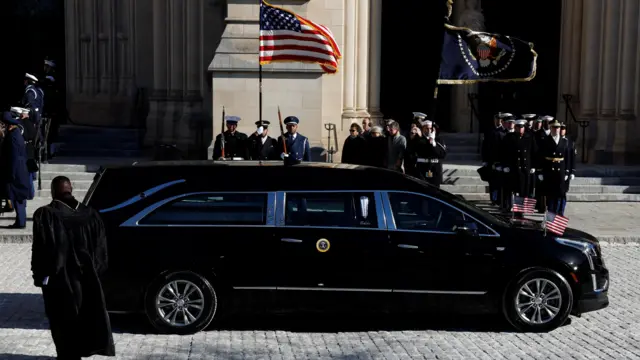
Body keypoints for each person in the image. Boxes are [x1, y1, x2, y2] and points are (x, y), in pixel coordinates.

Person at [31, 176, 116, 359]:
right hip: (88, 279)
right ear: (71, 190)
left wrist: (39, 276)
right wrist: (95, 273)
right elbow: (102, 250)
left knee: (62, 321)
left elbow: (40, 250)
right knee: (86, 316)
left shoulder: (46, 215)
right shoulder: (91, 214)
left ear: (53, 191)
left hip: (61, 280)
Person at [500, 119, 538, 216]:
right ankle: (507, 207)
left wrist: (533, 166)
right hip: (512, 168)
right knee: (510, 189)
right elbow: (502, 153)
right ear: (515, 127)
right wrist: (504, 166)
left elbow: (534, 153)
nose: (520, 129)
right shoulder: (509, 137)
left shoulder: (529, 138)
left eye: (522, 127)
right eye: (518, 127)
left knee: (523, 191)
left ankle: (520, 211)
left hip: (525, 169)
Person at [0, 111, 30, 228]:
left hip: (16, 171)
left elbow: (13, 157)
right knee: (19, 198)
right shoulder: (16, 134)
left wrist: (11, 174)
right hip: (20, 170)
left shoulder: (13, 136)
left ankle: (20, 222)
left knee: (18, 197)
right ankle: (20, 221)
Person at [538, 119, 571, 214]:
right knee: (550, 195)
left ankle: (559, 215)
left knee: (560, 194)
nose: (556, 129)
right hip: (549, 171)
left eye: (558, 127)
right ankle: (551, 215)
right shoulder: (545, 141)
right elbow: (540, 157)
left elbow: (568, 158)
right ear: (550, 128)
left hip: (560, 172)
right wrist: (540, 171)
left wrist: (567, 172)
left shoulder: (565, 141)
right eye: (554, 127)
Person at [482, 112, 508, 206]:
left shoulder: (504, 131)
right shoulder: (490, 130)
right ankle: (493, 199)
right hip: (490, 160)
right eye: (496, 119)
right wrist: (484, 160)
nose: (498, 121)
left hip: (500, 161)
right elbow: (485, 146)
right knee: (492, 182)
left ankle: (499, 200)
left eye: (500, 119)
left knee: (499, 182)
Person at [415, 118, 447, 187]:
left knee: (435, 189)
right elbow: (421, 151)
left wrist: (433, 143)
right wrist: (428, 142)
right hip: (423, 167)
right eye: (426, 128)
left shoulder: (438, 140)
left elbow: (442, 154)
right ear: (423, 129)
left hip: (435, 167)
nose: (429, 130)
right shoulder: (419, 139)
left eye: (430, 129)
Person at [559, 123, 576, 215]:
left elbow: (572, 158)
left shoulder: (570, 142)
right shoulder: (556, 140)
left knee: (563, 192)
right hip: (558, 171)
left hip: (566, 171)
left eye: (563, 129)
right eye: (560, 129)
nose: (562, 130)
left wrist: (572, 171)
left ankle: (561, 210)